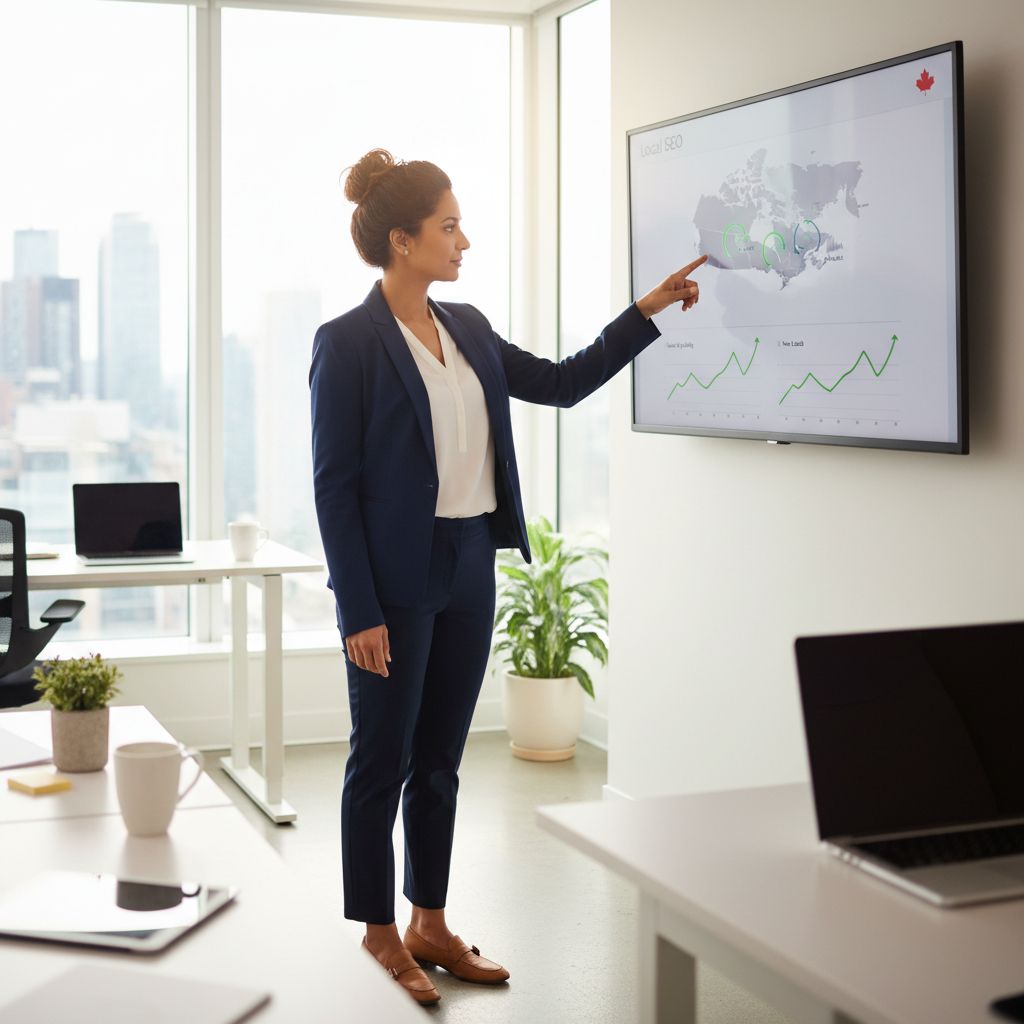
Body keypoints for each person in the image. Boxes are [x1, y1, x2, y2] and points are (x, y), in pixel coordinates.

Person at [309, 148, 706, 1006]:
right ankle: (380, 931)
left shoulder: (472, 327)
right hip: (391, 582)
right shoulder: (345, 345)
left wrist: (648, 310)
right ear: (404, 240)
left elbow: (562, 385)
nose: (464, 240)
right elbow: (333, 487)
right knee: (381, 758)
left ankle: (429, 918)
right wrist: (358, 610)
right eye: (449, 226)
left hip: (468, 568)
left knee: (442, 760)